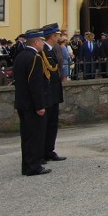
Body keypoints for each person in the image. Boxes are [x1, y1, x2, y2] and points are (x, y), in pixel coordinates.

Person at [13, 28, 50, 176]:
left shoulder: (20, 56)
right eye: (41, 41)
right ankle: (33, 166)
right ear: (36, 42)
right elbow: (35, 84)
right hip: (32, 104)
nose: (43, 44)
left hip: (22, 102)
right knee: (35, 136)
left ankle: (27, 165)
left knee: (27, 136)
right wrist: (39, 105)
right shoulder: (35, 58)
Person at [40, 23, 66, 164]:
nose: (59, 37)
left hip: (54, 93)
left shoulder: (52, 49)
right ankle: (42, 153)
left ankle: (49, 150)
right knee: (45, 125)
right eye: (57, 35)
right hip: (47, 94)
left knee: (52, 124)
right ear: (53, 36)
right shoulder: (42, 51)